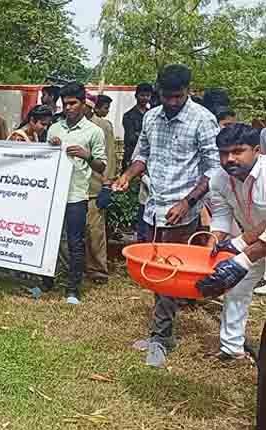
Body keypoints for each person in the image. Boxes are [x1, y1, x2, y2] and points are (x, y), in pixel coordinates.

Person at [112, 64, 220, 368]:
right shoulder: (151, 117)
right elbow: (141, 155)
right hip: (152, 206)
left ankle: (162, 337)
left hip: (181, 211)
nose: (173, 102)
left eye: (179, 96)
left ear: (188, 90)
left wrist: (187, 202)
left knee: (169, 274)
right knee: (154, 271)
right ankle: (161, 331)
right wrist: (127, 176)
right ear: (159, 91)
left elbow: (214, 170)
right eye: (168, 96)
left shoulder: (203, 120)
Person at [194, 124, 264, 363]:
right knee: (235, 287)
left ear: (257, 150)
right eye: (223, 153)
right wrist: (213, 246)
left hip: (254, 243)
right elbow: (222, 215)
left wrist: (242, 256)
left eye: (237, 151)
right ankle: (232, 349)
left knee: (237, 271)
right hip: (252, 241)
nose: (229, 158)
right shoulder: (218, 179)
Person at [41, 83, 106, 304]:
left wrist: (86, 155)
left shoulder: (94, 131)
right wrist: (51, 146)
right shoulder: (54, 128)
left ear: (82, 103)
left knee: (75, 242)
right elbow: (44, 159)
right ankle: (47, 282)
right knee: (50, 238)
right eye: (65, 103)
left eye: (72, 103)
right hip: (53, 194)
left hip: (76, 195)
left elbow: (101, 166)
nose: (68, 108)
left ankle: (73, 289)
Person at [84, 94, 117, 284]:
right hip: (73, 187)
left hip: (95, 186)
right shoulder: (65, 126)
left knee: (95, 231)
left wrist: (107, 185)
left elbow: (110, 157)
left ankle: (97, 270)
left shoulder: (103, 126)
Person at [122, 83, 153, 170]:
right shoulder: (128, 116)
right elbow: (130, 138)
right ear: (136, 96)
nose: (145, 98)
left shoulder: (153, 115)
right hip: (132, 155)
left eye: (148, 95)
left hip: (150, 157)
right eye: (142, 95)